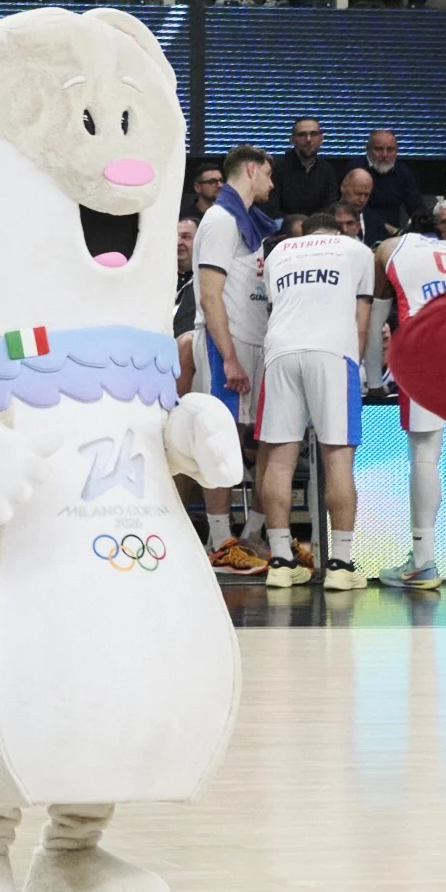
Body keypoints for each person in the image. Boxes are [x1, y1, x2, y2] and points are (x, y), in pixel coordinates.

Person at [255, 212, 373, 591]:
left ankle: (279, 561)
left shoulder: (278, 252)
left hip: (280, 352)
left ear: (304, 233)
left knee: (279, 457)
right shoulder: (354, 249)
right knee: (337, 455)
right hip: (332, 352)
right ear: (338, 231)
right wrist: (360, 365)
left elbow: (275, 305)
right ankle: (339, 564)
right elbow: (362, 316)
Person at [193, 145, 277, 575]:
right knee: (219, 436)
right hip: (227, 344)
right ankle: (219, 539)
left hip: (257, 342)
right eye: (268, 174)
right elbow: (210, 296)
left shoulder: (250, 223)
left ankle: (253, 535)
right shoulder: (220, 220)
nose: (272, 183)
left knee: (267, 440)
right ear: (250, 169)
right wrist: (228, 357)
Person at [381, 202, 446, 586]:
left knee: (424, 457)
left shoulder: (393, 248)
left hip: (426, 350)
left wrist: (374, 371)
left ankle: (423, 560)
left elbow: (375, 309)